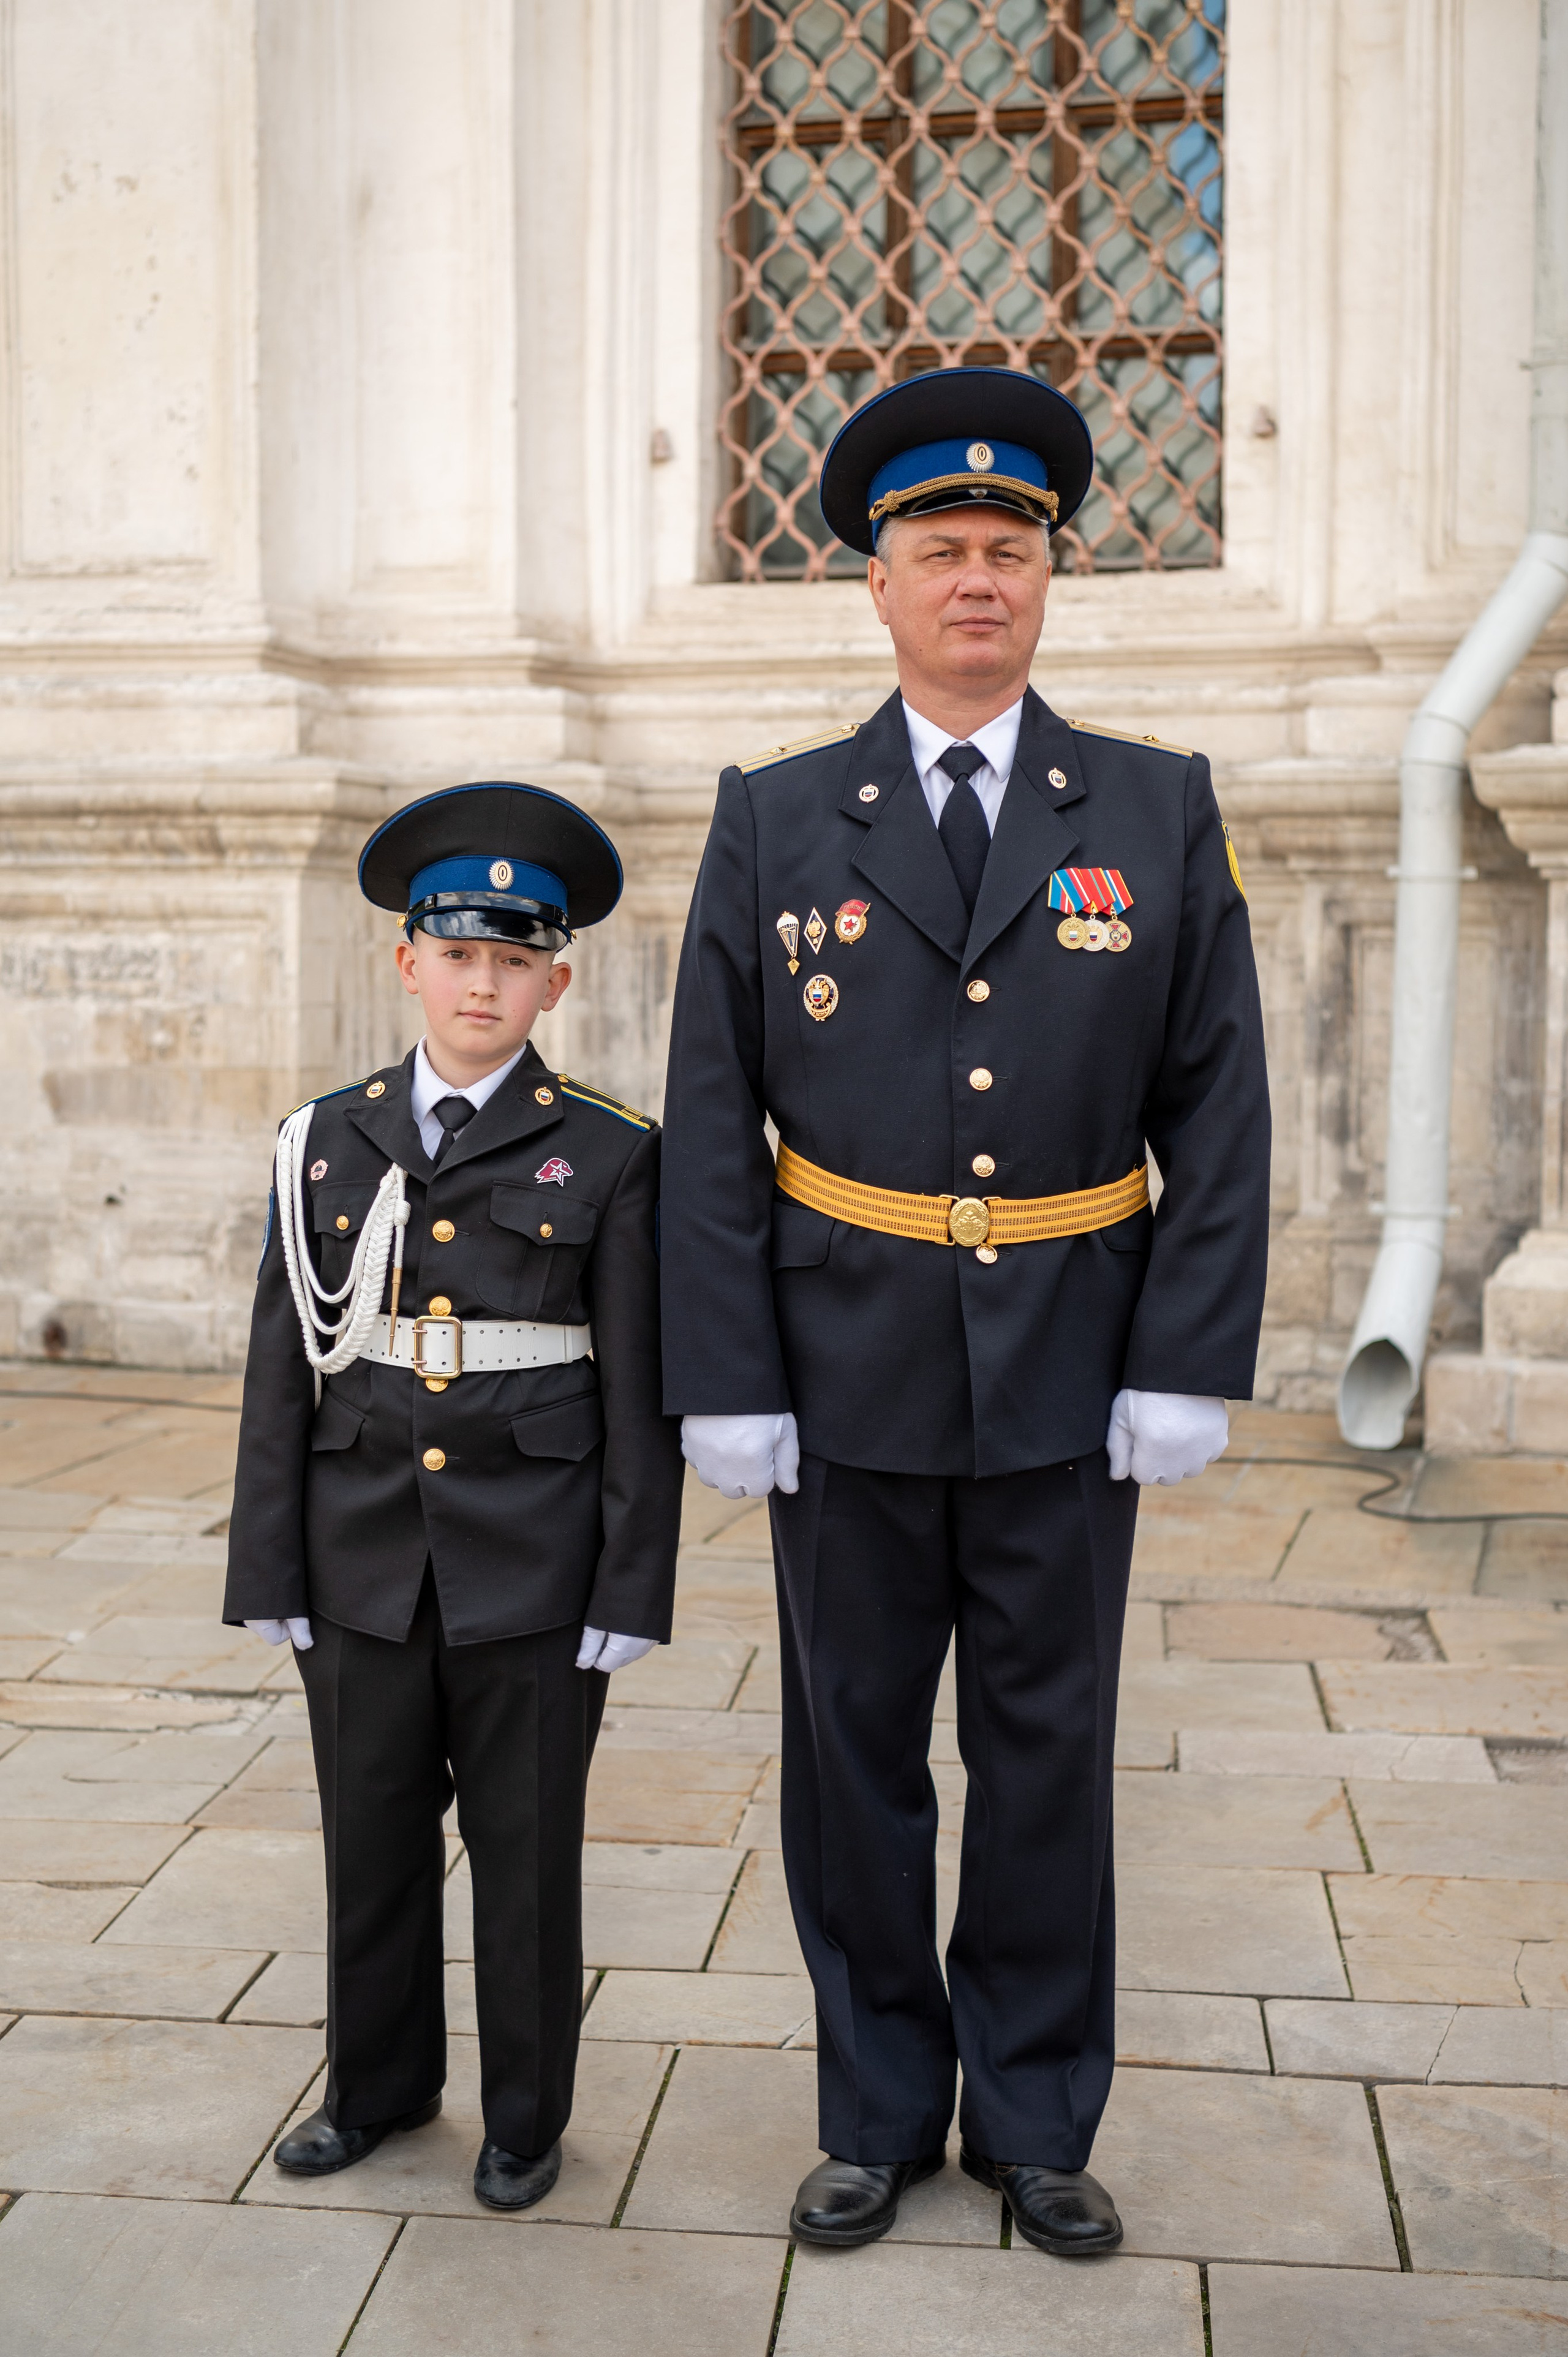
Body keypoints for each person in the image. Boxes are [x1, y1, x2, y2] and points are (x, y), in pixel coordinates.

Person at [659, 368, 1270, 2255]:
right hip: (841, 1372)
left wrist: (1186, 1357)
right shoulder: (775, 820)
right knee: (849, 1761)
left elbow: (1220, 1105)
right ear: (881, 585)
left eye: (1011, 548)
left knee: (1044, 1760)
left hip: (1071, 1379)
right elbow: (707, 1119)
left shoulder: (1155, 813)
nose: (977, 579)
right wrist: (727, 1377)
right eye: (941, 550)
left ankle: (1029, 2118)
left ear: (1052, 577)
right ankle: (873, 2109)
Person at [224, 780, 683, 2211]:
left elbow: (639, 1389)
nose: (483, 983)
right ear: (407, 961)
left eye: (512, 959)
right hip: (359, 1550)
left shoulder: (610, 1150)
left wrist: (629, 1584)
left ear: (556, 977)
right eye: (457, 952)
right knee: (368, 1840)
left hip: (533, 1565)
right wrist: (267, 1570)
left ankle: (524, 2117)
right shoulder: (323, 1139)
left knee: (524, 1851)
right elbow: (275, 1371)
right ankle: (376, 2087)